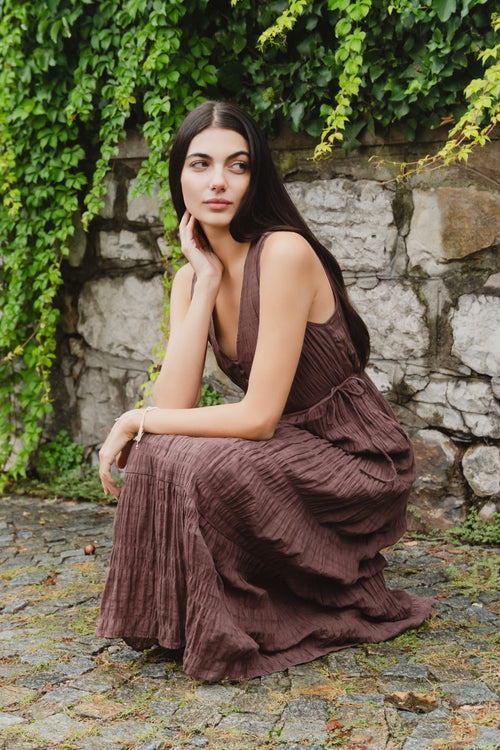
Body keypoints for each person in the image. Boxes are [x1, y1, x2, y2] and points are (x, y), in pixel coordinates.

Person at [97, 101, 434, 682]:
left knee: (192, 458)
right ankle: (179, 616)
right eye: (200, 164)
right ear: (179, 176)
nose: (218, 182)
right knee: (159, 449)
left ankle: (255, 614)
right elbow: (174, 409)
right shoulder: (190, 275)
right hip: (286, 440)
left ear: (258, 178)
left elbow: (256, 417)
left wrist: (134, 417)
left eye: (238, 165)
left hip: (351, 455)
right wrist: (202, 283)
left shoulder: (283, 252)